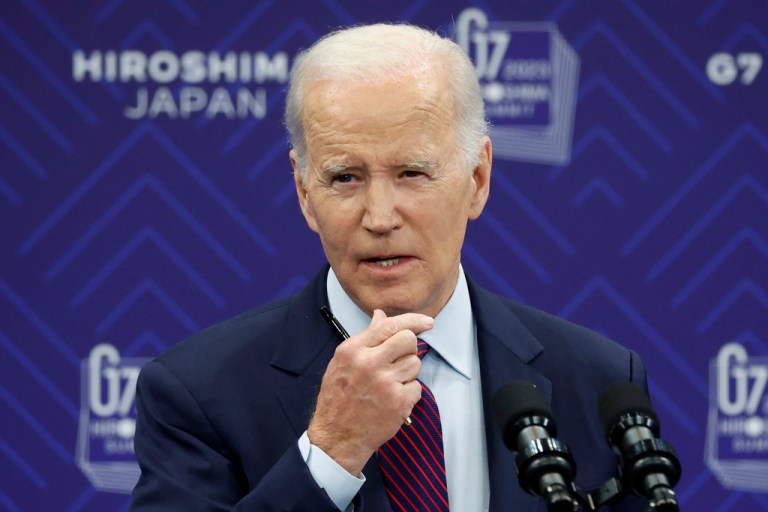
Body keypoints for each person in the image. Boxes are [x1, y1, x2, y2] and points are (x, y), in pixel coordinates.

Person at [130, 23, 648, 511]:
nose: (379, 218)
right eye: (346, 178)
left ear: (478, 178)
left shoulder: (599, 381)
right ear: (304, 192)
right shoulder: (197, 393)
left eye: (412, 172)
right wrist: (329, 454)